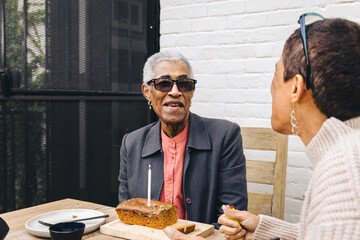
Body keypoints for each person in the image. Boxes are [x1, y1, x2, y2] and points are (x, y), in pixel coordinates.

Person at [164, 16, 360, 240]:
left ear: (295, 87)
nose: (271, 90)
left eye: (275, 76)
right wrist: (264, 229)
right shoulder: (346, 155)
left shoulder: (346, 170)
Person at [118, 50, 248, 227]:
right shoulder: (131, 144)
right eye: (164, 83)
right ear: (147, 92)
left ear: (192, 91)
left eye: (184, 84)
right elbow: (127, 214)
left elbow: (231, 216)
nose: (175, 91)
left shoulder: (225, 136)